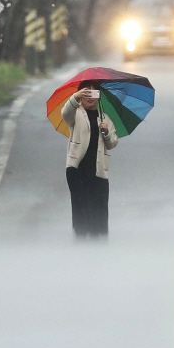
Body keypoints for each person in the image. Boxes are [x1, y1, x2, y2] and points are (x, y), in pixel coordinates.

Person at [60, 85, 118, 238]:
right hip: (77, 169)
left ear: (98, 95)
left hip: (98, 170)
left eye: (93, 92)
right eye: (86, 92)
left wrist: (106, 132)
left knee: (99, 206)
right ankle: (80, 239)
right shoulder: (76, 113)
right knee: (81, 205)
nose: (89, 96)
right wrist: (75, 97)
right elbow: (65, 113)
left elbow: (112, 143)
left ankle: (98, 241)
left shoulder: (104, 117)